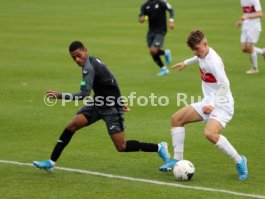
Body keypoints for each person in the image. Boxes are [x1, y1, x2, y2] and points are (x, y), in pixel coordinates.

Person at [33, 41, 170, 171]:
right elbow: (112, 79)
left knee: (121, 146)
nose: (77, 60)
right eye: (73, 58)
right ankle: (51, 162)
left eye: (79, 56)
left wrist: (59, 96)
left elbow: (83, 94)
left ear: (85, 51)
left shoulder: (89, 67)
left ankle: (159, 148)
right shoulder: (92, 61)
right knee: (72, 126)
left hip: (110, 107)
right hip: (98, 102)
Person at [159, 30, 248, 180]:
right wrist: (186, 62)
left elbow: (225, 84)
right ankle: (177, 159)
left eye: (197, 49)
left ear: (205, 44)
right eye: (193, 49)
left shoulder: (214, 62)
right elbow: (198, 58)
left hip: (222, 105)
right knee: (176, 119)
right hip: (207, 103)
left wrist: (213, 104)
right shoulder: (203, 53)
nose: (196, 52)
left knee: (210, 134)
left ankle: (240, 161)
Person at [139, 0, 174, 76]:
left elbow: (171, 10)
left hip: (160, 30)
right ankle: (164, 68)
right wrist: (141, 19)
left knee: (153, 50)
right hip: (151, 32)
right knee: (152, 52)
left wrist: (171, 21)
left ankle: (166, 53)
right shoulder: (145, 5)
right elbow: (141, 17)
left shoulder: (161, 2)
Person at [236, 0, 265, 74]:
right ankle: (263, 51)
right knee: (244, 49)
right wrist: (241, 21)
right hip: (245, 26)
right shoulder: (242, 1)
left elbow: (260, 14)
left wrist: (247, 17)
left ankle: (255, 68)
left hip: (254, 26)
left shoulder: (254, 0)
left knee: (249, 47)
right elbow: (245, 13)